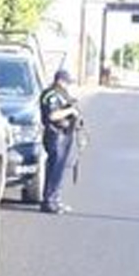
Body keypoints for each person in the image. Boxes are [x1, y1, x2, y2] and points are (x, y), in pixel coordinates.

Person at [38, 68, 81, 214]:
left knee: (59, 169)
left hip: (64, 134)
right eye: (67, 82)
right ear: (60, 81)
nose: (68, 86)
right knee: (54, 169)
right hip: (56, 135)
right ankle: (49, 202)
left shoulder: (61, 94)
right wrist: (70, 111)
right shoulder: (51, 95)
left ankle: (55, 199)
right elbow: (53, 115)